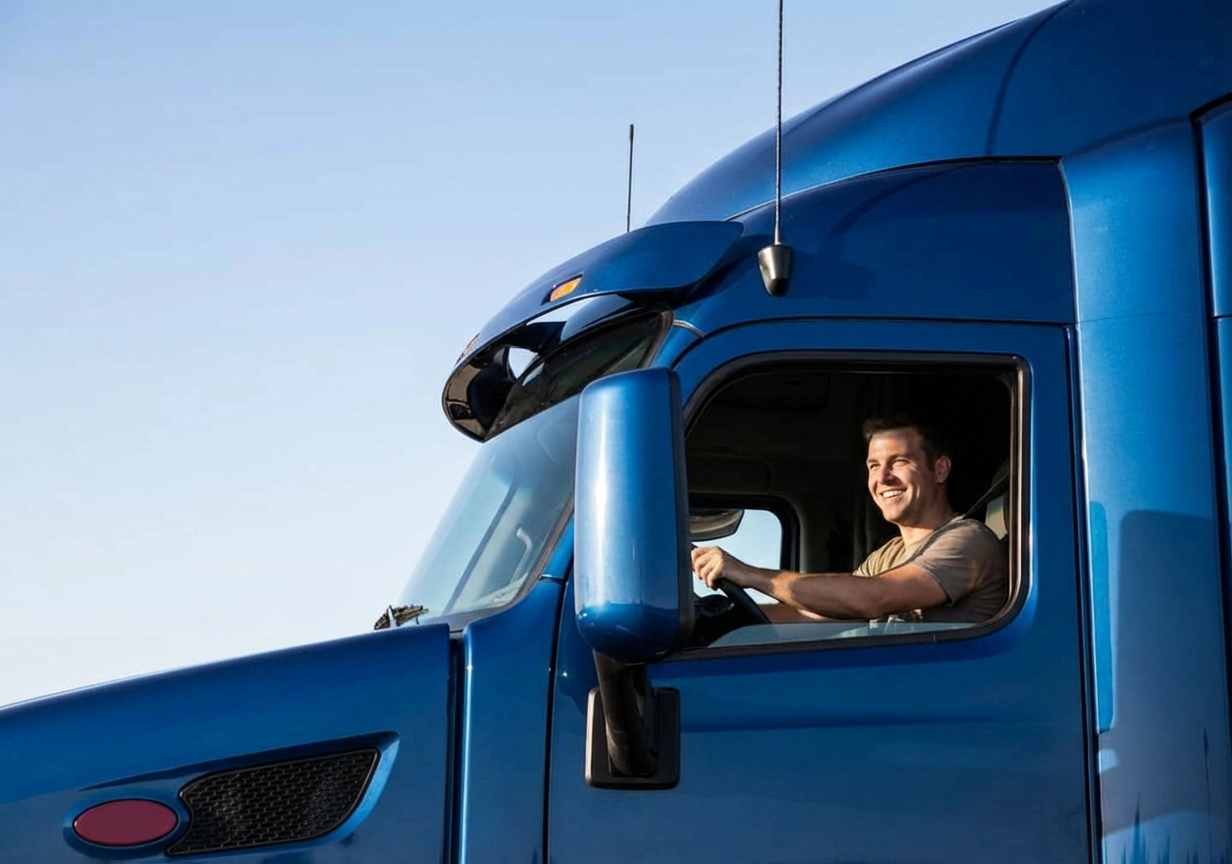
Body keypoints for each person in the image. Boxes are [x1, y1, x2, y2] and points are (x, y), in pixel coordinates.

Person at [692, 415, 1007, 624]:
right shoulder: (888, 555)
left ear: (940, 470)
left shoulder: (968, 539)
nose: (882, 478)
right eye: (873, 466)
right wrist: (721, 618)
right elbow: (815, 615)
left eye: (898, 462)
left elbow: (871, 599)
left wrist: (750, 574)